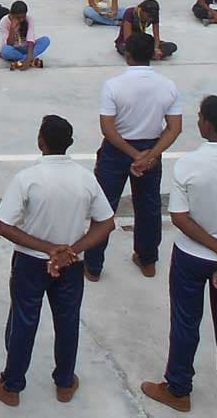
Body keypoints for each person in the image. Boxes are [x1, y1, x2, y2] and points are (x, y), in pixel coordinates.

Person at [140, 96, 217, 412]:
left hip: (191, 257)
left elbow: (180, 217)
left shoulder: (188, 164)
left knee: (185, 323)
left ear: (207, 125)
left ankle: (178, 388)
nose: (197, 121)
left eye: (200, 117)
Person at [0, 115, 115, 408]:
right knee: (67, 322)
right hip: (71, 265)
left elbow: (5, 226)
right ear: (70, 144)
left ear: (41, 140)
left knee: (24, 322)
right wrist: (70, 250)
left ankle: (11, 385)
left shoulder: (28, 178)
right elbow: (106, 223)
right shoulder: (85, 178)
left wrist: (49, 248)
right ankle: (65, 382)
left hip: (30, 262)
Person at [88, 33, 182, 281]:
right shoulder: (168, 85)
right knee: (148, 207)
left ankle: (93, 265)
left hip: (117, 151)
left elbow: (108, 127)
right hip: (152, 149)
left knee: (104, 207)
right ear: (152, 54)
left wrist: (133, 155)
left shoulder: (114, 85)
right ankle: (147, 259)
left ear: (127, 54)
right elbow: (174, 128)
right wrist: (149, 156)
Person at [0, 1, 50, 70]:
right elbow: (9, 44)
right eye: (18, 17)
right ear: (11, 14)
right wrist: (12, 29)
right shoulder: (3, 22)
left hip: (26, 48)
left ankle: (21, 61)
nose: (21, 20)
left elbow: (31, 39)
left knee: (45, 40)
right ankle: (32, 61)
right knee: (5, 51)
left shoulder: (29, 19)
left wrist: (28, 58)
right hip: (13, 49)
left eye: (23, 17)